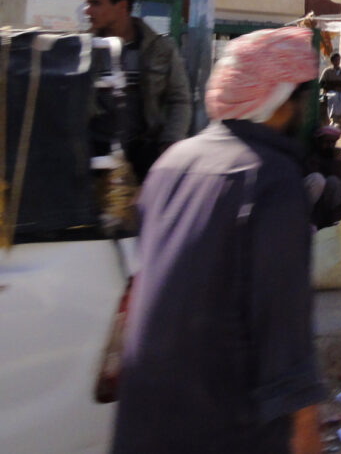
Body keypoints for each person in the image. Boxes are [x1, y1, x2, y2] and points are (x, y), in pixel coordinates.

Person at [112, 27, 325, 454]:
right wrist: (304, 427)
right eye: (300, 98)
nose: (303, 110)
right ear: (280, 100)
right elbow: (282, 324)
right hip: (226, 423)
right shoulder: (270, 178)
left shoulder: (172, 161)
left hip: (144, 417)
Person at [83, 0, 191, 181]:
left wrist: (169, 143)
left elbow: (179, 99)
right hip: (94, 155)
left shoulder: (160, 48)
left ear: (122, 7)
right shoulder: (83, 48)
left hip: (144, 156)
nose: (88, 11)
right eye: (87, 4)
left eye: (96, 3)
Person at [321, 52, 341, 126]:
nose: (337, 62)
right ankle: (334, 119)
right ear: (332, 61)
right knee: (334, 96)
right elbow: (321, 83)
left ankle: (340, 117)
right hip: (330, 92)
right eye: (336, 60)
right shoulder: (327, 72)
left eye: (339, 60)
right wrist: (331, 85)